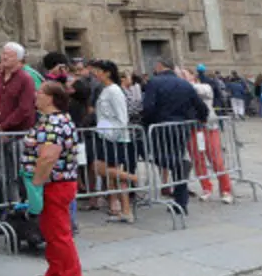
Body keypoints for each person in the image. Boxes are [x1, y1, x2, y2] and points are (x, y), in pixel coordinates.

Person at [26, 82, 85, 276]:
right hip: (57, 183)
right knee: (51, 231)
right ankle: (56, 274)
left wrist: (37, 183)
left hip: (56, 183)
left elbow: (48, 156)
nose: (36, 95)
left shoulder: (54, 123)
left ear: (51, 98)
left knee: (60, 235)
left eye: (40, 92)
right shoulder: (53, 120)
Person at [141, 58, 208, 213]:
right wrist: (201, 119)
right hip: (181, 128)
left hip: (160, 127)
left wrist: (146, 122)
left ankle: (179, 166)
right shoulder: (184, 84)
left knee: (155, 156)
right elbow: (200, 106)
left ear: (159, 66)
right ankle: (181, 203)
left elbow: (149, 107)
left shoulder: (154, 82)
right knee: (177, 162)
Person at [88, 60, 136, 223]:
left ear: (107, 72)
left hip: (114, 137)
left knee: (99, 167)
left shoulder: (114, 91)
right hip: (106, 134)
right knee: (112, 176)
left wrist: (112, 133)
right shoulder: (107, 90)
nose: (96, 74)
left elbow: (122, 117)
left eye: (99, 71)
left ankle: (133, 178)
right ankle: (125, 210)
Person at [184, 68, 232, 204]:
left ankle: (226, 190)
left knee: (216, 159)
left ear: (193, 76)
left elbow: (203, 93)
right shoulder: (183, 89)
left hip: (209, 127)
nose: (181, 77)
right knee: (198, 160)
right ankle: (206, 188)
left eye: (184, 74)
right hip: (193, 129)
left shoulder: (204, 87)